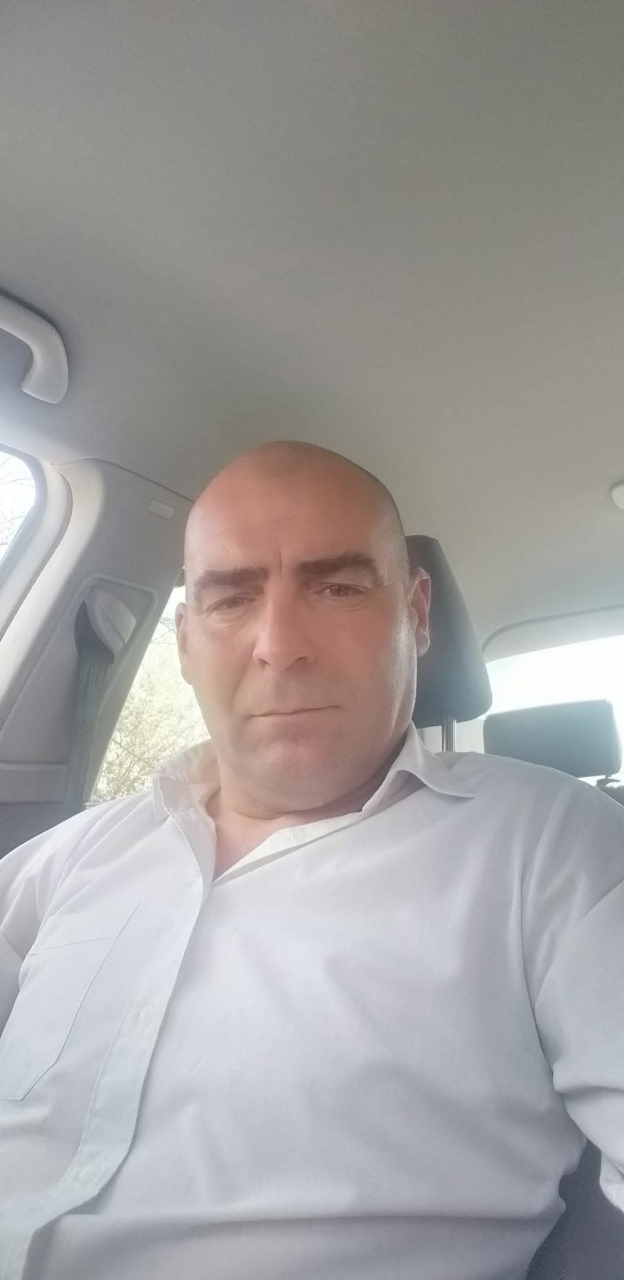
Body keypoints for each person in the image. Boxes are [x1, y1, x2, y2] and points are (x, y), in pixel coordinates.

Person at [0, 441, 622, 1280]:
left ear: (417, 615)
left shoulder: (553, 847)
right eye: (230, 598)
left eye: (337, 587)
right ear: (184, 641)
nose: (279, 644)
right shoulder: (71, 857)